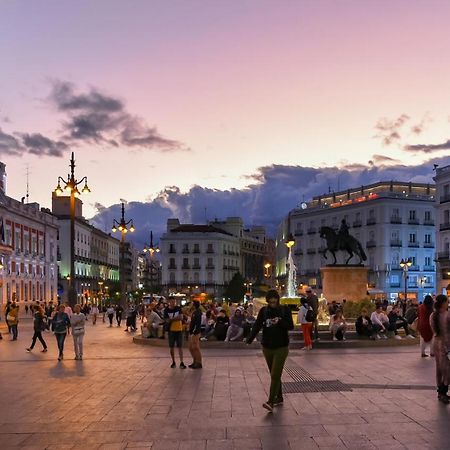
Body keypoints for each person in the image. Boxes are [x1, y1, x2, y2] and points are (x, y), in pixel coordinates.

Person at [246, 289, 294, 413]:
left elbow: (291, 326)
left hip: (281, 347)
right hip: (267, 346)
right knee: (275, 374)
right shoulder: (264, 311)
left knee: (275, 375)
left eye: (275, 300)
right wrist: (250, 338)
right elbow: (257, 325)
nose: (273, 302)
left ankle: (271, 402)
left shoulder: (285, 310)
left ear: (278, 299)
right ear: (267, 301)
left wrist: (280, 321)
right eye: (270, 300)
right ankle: (279, 397)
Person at [430, 294, 450, 403]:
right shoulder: (447, 315)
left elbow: (434, 330)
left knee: (439, 368)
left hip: (436, 344)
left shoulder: (432, 315)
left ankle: (440, 392)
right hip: (446, 345)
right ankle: (443, 391)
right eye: (447, 302)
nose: (448, 304)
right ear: (443, 303)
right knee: (446, 369)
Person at [164, 297, 186, 369]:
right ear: (169, 302)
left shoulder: (178, 308)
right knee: (171, 347)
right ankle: (173, 361)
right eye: (172, 301)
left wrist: (171, 319)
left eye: (174, 301)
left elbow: (181, 317)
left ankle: (181, 362)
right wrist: (175, 318)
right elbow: (166, 320)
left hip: (179, 329)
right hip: (171, 330)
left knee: (180, 346)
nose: (173, 303)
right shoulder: (166, 310)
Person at [188, 300, 202, 369]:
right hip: (192, 331)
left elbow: (197, 323)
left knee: (195, 347)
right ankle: (195, 361)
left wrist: (194, 331)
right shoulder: (194, 312)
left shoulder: (198, 312)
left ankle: (198, 362)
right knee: (191, 348)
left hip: (195, 332)